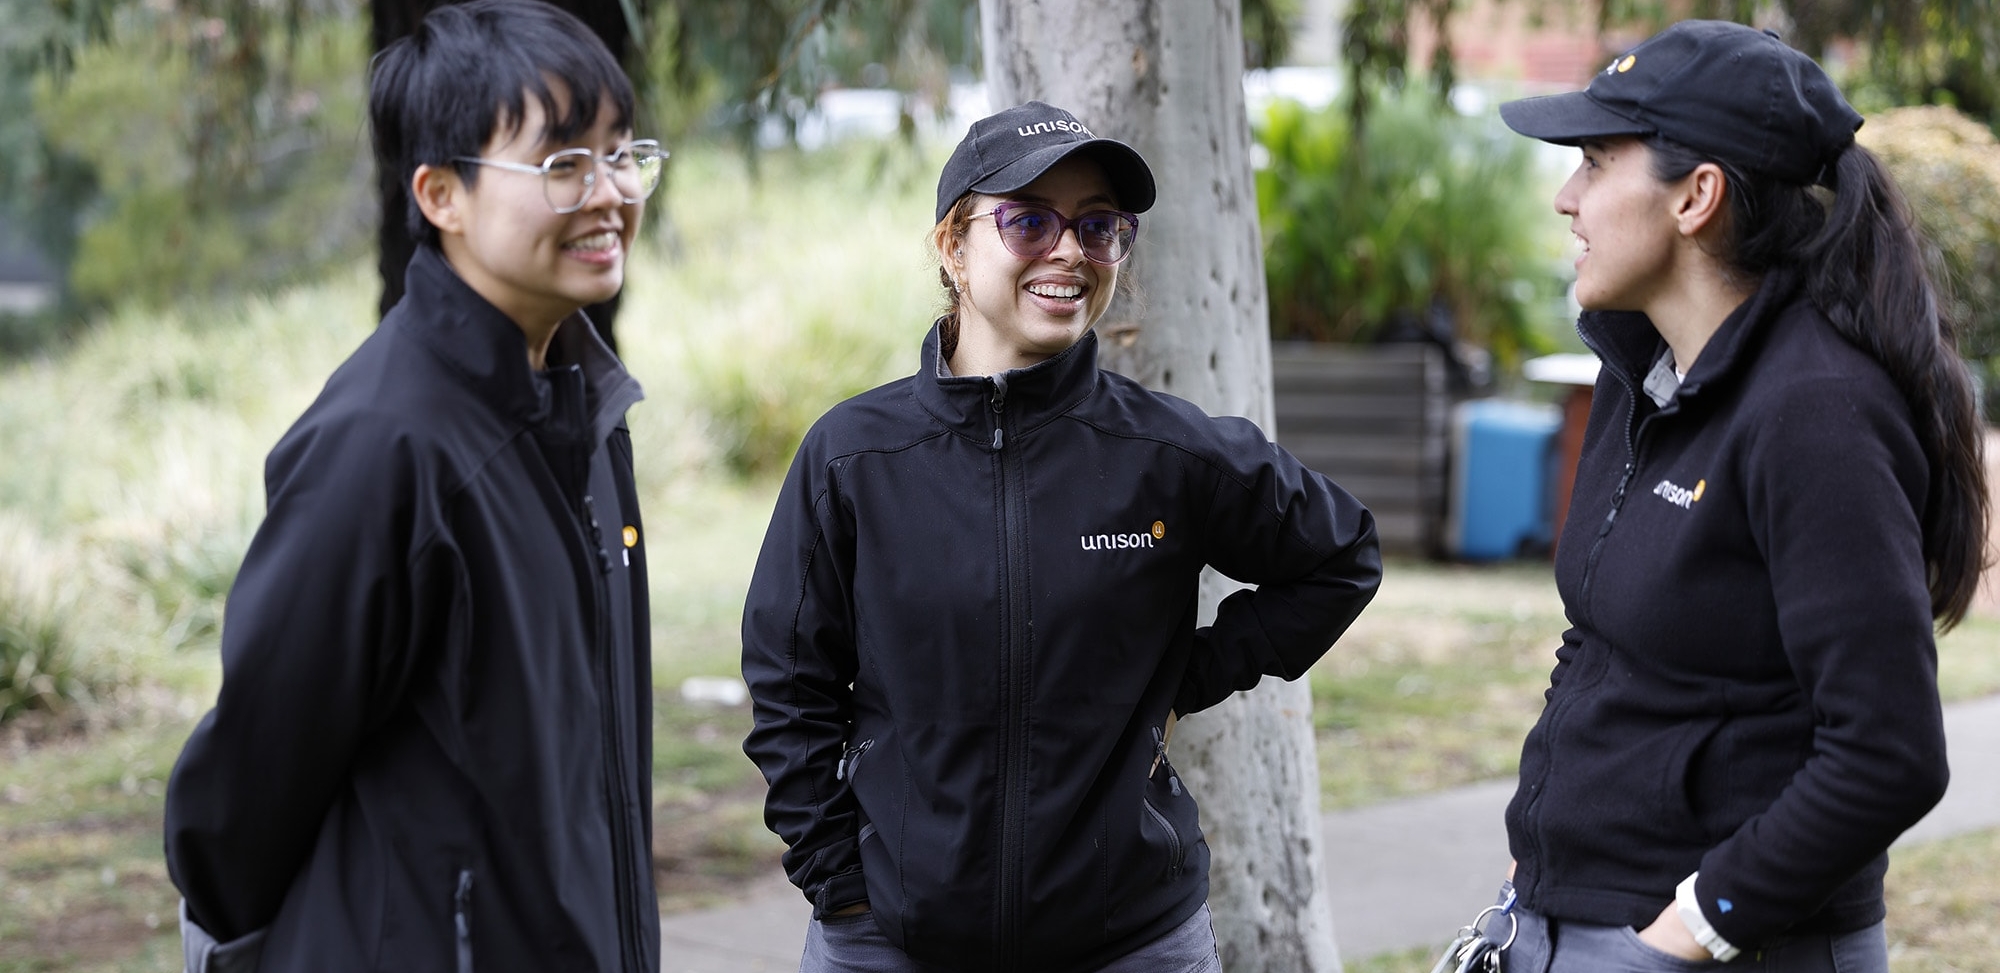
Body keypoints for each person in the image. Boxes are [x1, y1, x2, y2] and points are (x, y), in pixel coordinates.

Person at [739, 101, 1383, 973]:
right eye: (1030, 221)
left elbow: (1342, 555)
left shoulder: (1166, 453)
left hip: (1131, 943)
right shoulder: (856, 455)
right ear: (953, 248)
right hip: (892, 940)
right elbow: (789, 676)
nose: (1070, 250)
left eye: (1099, 226)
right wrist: (839, 878)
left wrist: (1188, 674)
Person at [161, 2, 668, 970]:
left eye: (621, 152)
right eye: (563, 163)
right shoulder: (386, 442)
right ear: (442, 194)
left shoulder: (581, 408)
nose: (608, 192)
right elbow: (253, 773)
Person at [1488, 20, 1986, 972]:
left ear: (1697, 196)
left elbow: (1890, 754)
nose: (1566, 198)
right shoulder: (1644, 380)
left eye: (1596, 161)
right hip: (1566, 918)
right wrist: (1538, 858)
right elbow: (1600, 638)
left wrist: (1686, 935)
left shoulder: (1817, 412)